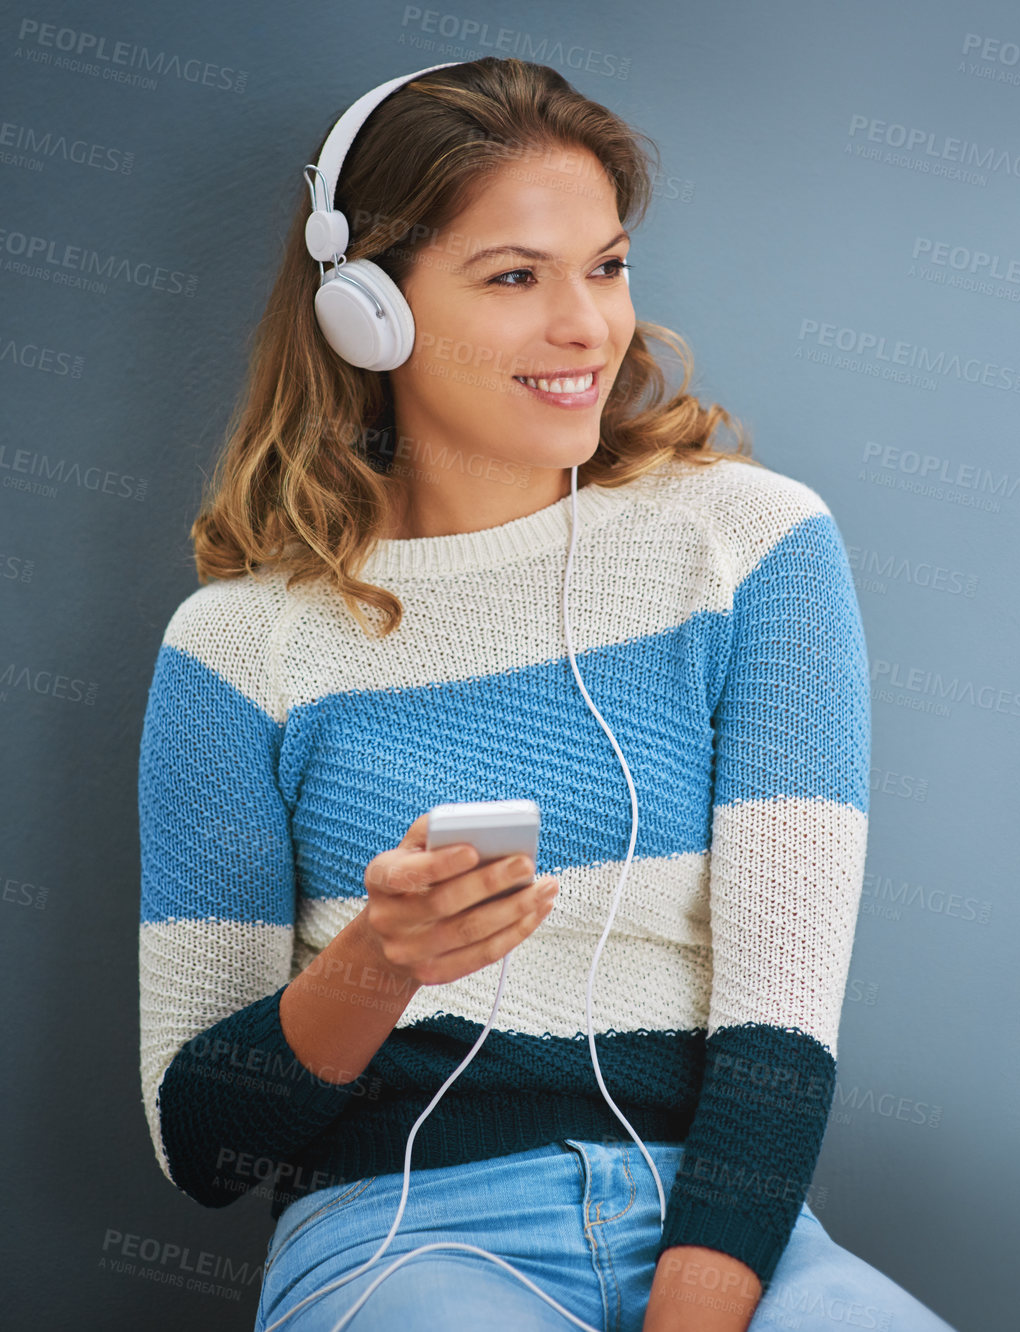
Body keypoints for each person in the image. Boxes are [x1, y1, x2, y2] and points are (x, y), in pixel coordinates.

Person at [136, 57, 956, 1332]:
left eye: (608, 266)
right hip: (398, 1233)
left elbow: (782, 1028)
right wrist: (378, 962)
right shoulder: (238, 649)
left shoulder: (751, 547)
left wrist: (695, 1309)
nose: (588, 326)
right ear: (370, 311)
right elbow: (204, 1152)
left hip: (725, 1232)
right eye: (516, 276)